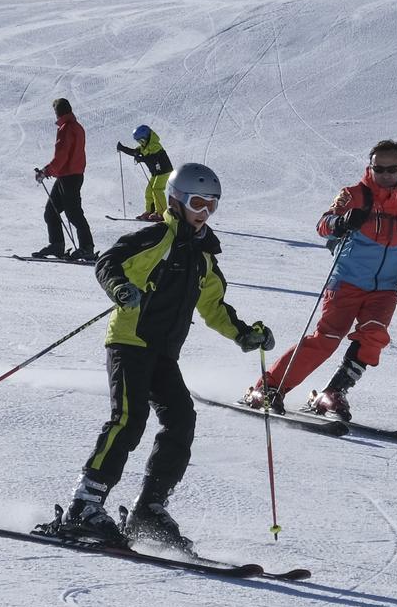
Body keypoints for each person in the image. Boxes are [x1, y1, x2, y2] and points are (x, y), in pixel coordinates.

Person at [41, 162, 277, 549]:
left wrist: (244, 334)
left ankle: (148, 508)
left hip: (163, 353)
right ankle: (85, 503)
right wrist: (119, 288)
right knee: (129, 419)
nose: (204, 212)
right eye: (198, 202)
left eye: (212, 205)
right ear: (176, 200)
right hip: (129, 341)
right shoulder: (157, 238)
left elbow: (214, 305)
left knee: (181, 420)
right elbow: (109, 263)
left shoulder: (202, 256)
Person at [242, 139, 397, 422]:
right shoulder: (354, 195)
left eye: (392, 169)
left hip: (385, 289)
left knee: (373, 337)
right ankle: (269, 387)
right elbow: (323, 225)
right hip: (347, 282)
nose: (386, 175)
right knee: (327, 340)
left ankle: (333, 393)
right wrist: (342, 223)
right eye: (380, 169)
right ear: (371, 167)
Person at [33, 98, 96, 261]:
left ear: (58, 112)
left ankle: (86, 247)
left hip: (69, 176)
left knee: (73, 213)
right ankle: (57, 245)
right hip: (71, 175)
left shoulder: (66, 128)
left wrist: (46, 171)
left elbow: (61, 156)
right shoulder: (77, 127)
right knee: (52, 212)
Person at [116, 124, 173, 221]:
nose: (140, 143)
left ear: (147, 137)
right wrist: (122, 148)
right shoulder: (144, 146)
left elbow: (152, 158)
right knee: (149, 191)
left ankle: (162, 213)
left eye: (141, 140)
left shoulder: (155, 145)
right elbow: (135, 152)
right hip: (156, 172)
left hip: (164, 171)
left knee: (157, 189)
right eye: (139, 141)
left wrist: (141, 158)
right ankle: (150, 211)